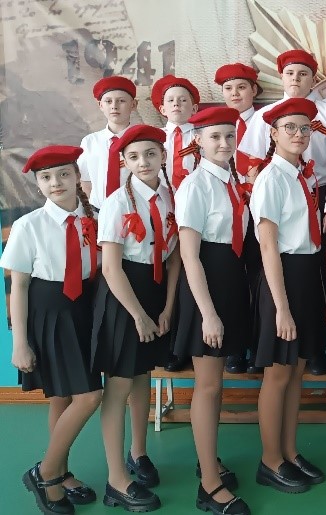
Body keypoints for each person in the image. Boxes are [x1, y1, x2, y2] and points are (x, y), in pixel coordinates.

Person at [238, 48, 326, 376]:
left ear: (313, 79)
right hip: (282, 195)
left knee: (324, 266)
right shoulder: (267, 118)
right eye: (290, 73)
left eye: (303, 74)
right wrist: (257, 192)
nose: (296, 79)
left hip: (321, 189)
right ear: (282, 77)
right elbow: (249, 161)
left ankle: (313, 347)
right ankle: (270, 340)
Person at [3, 146, 102, 515]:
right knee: (88, 396)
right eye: (46, 177)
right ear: (38, 184)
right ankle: (45, 474)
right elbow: (19, 287)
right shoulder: (29, 225)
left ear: (77, 177)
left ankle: (61, 471)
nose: (55, 182)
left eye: (63, 174)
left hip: (85, 310)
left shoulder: (95, 217)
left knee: (63, 397)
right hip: (49, 313)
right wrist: (19, 343)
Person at [91, 125, 181, 511]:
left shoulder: (171, 197)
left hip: (155, 293)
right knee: (119, 383)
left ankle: (138, 453)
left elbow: (174, 258)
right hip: (123, 295)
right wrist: (139, 316)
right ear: (124, 162)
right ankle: (116, 479)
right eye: (133, 157)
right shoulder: (117, 203)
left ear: (163, 156)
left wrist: (167, 308)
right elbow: (111, 267)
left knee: (143, 374)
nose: (143, 162)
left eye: (150, 154)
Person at [173, 107, 252, 515]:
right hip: (206, 289)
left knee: (216, 385)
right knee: (207, 386)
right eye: (215, 136)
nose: (224, 143)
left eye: (229, 135)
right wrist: (208, 313)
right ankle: (208, 485)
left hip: (230, 283)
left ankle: (210, 461)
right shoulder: (195, 186)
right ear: (198, 141)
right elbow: (190, 255)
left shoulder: (232, 180)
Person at [250, 98, 326, 493]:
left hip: (306, 275)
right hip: (281, 278)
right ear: (274, 133)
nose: (299, 134)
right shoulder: (271, 179)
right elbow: (268, 247)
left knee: (297, 369)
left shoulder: (302, 176)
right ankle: (270, 459)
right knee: (278, 372)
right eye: (290, 127)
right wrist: (281, 308)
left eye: (305, 128)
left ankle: (290, 450)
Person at [150, 74, 201, 373]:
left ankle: (193, 343)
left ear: (194, 108)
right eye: (171, 100)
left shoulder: (202, 136)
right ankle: (171, 346)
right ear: (162, 108)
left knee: (195, 278)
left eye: (183, 100)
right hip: (163, 213)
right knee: (169, 277)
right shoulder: (154, 138)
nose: (177, 104)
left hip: (197, 215)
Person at [214, 62, 262, 374]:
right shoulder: (213, 126)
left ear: (254, 90)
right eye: (228, 89)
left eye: (241, 87)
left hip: (258, 210)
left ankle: (258, 345)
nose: (235, 94)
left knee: (258, 279)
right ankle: (234, 347)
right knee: (230, 280)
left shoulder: (266, 121)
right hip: (226, 213)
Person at [78, 76, 137, 209]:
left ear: (133, 105)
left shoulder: (141, 140)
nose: (114, 106)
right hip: (99, 210)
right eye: (108, 101)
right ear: (101, 105)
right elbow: (85, 182)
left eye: (121, 101)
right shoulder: (90, 142)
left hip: (135, 210)